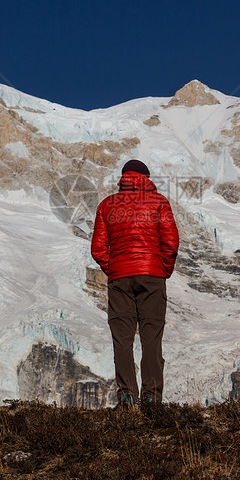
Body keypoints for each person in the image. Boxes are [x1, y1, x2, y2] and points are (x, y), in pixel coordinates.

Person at [91, 159, 179, 408]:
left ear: (124, 178)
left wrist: (115, 268)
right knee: (151, 338)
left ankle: (127, 396)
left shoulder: (107, 205)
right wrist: (162, 270)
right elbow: (171, 242)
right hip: (152, 276)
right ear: (146, 178)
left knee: (122, 339)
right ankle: (151, 398)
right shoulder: (159, 202)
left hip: (120, 278)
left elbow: (98, 248)